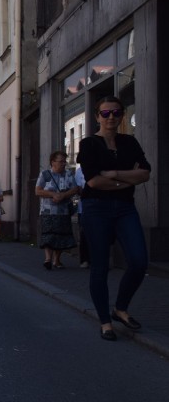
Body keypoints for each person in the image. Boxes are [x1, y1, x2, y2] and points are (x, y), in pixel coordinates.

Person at [77, 96, 151, 341]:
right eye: (106, 113)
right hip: (95, 208)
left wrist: (115, 174)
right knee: (100, 265)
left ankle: (120, 308)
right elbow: (93, 181)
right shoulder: (88, 144)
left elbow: (145, 173)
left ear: (121, 115)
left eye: (116, 113)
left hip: (125, 208)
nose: (111, 118)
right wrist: (127, 179)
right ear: (97, 116)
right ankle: (105, 321)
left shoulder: (129, 142)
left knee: (139, 261)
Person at [35, 150, 80, 270]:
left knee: (61, 236)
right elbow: (38, 191)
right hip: (47, 211)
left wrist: (63, 196)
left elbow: (75, 189)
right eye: (61, 161)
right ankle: (48, 259)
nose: (63, 163)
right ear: (53, 162)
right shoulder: (45, 174)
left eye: (64, 161)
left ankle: (57, 260)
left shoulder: (68, 174)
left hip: (63, 211)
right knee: (48, 235)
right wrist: (52, 194)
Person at [74, 165, 89, 268]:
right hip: (83, 208)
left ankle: (99, 259)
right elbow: (77, 189)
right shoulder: (80, 171)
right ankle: (85, 260)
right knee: (84, 234)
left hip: (100, 208)